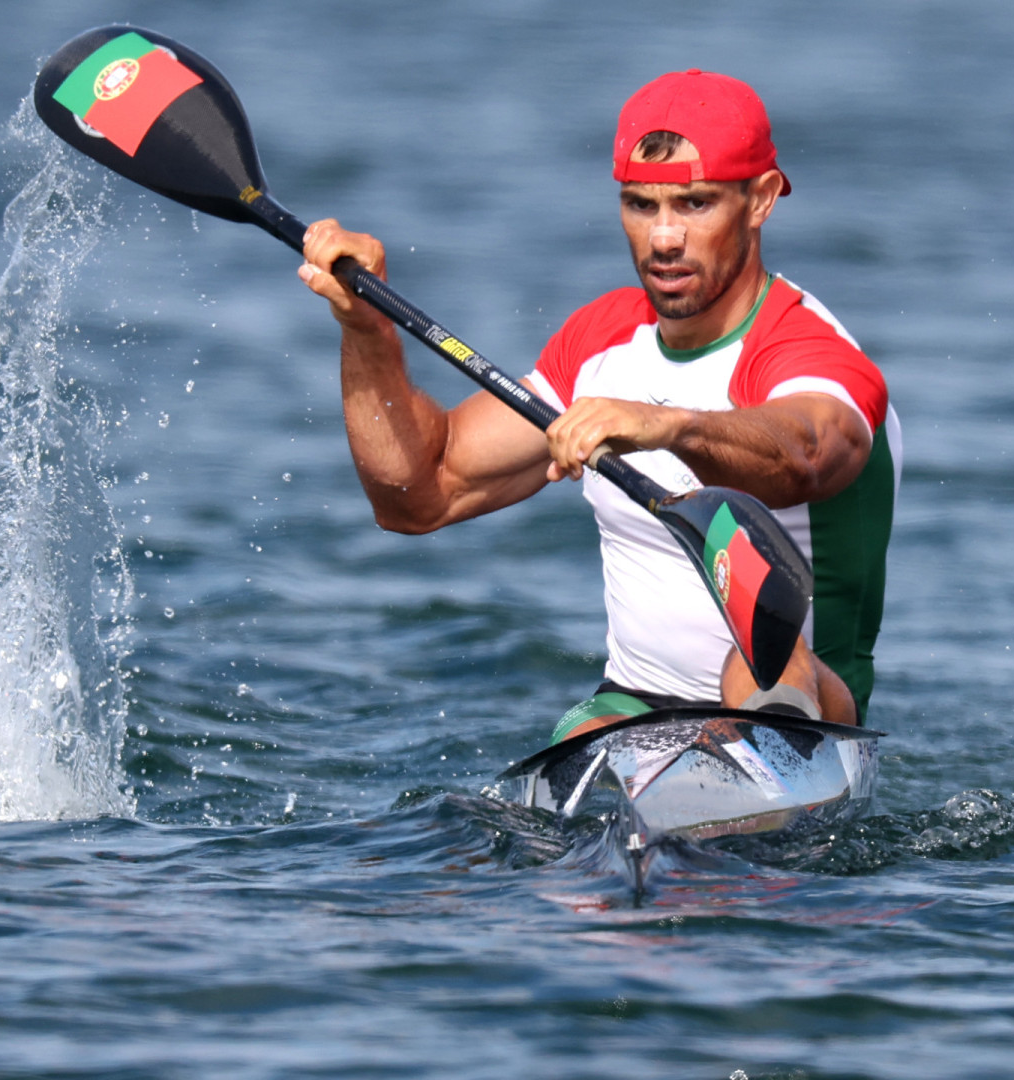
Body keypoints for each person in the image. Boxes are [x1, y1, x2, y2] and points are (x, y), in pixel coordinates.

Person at [296, 70, 899, 742]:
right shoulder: (600, 343)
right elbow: (418, 494)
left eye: (695, 206)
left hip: (809, 715)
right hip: (633, 706)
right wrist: (366, 331)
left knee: (758, 658)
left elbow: (810, 454)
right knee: (581, 743)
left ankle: (745, 783)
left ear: (760, 200)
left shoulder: (807, 348)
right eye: (641, 206)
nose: (664, 239)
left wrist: (665, 427)